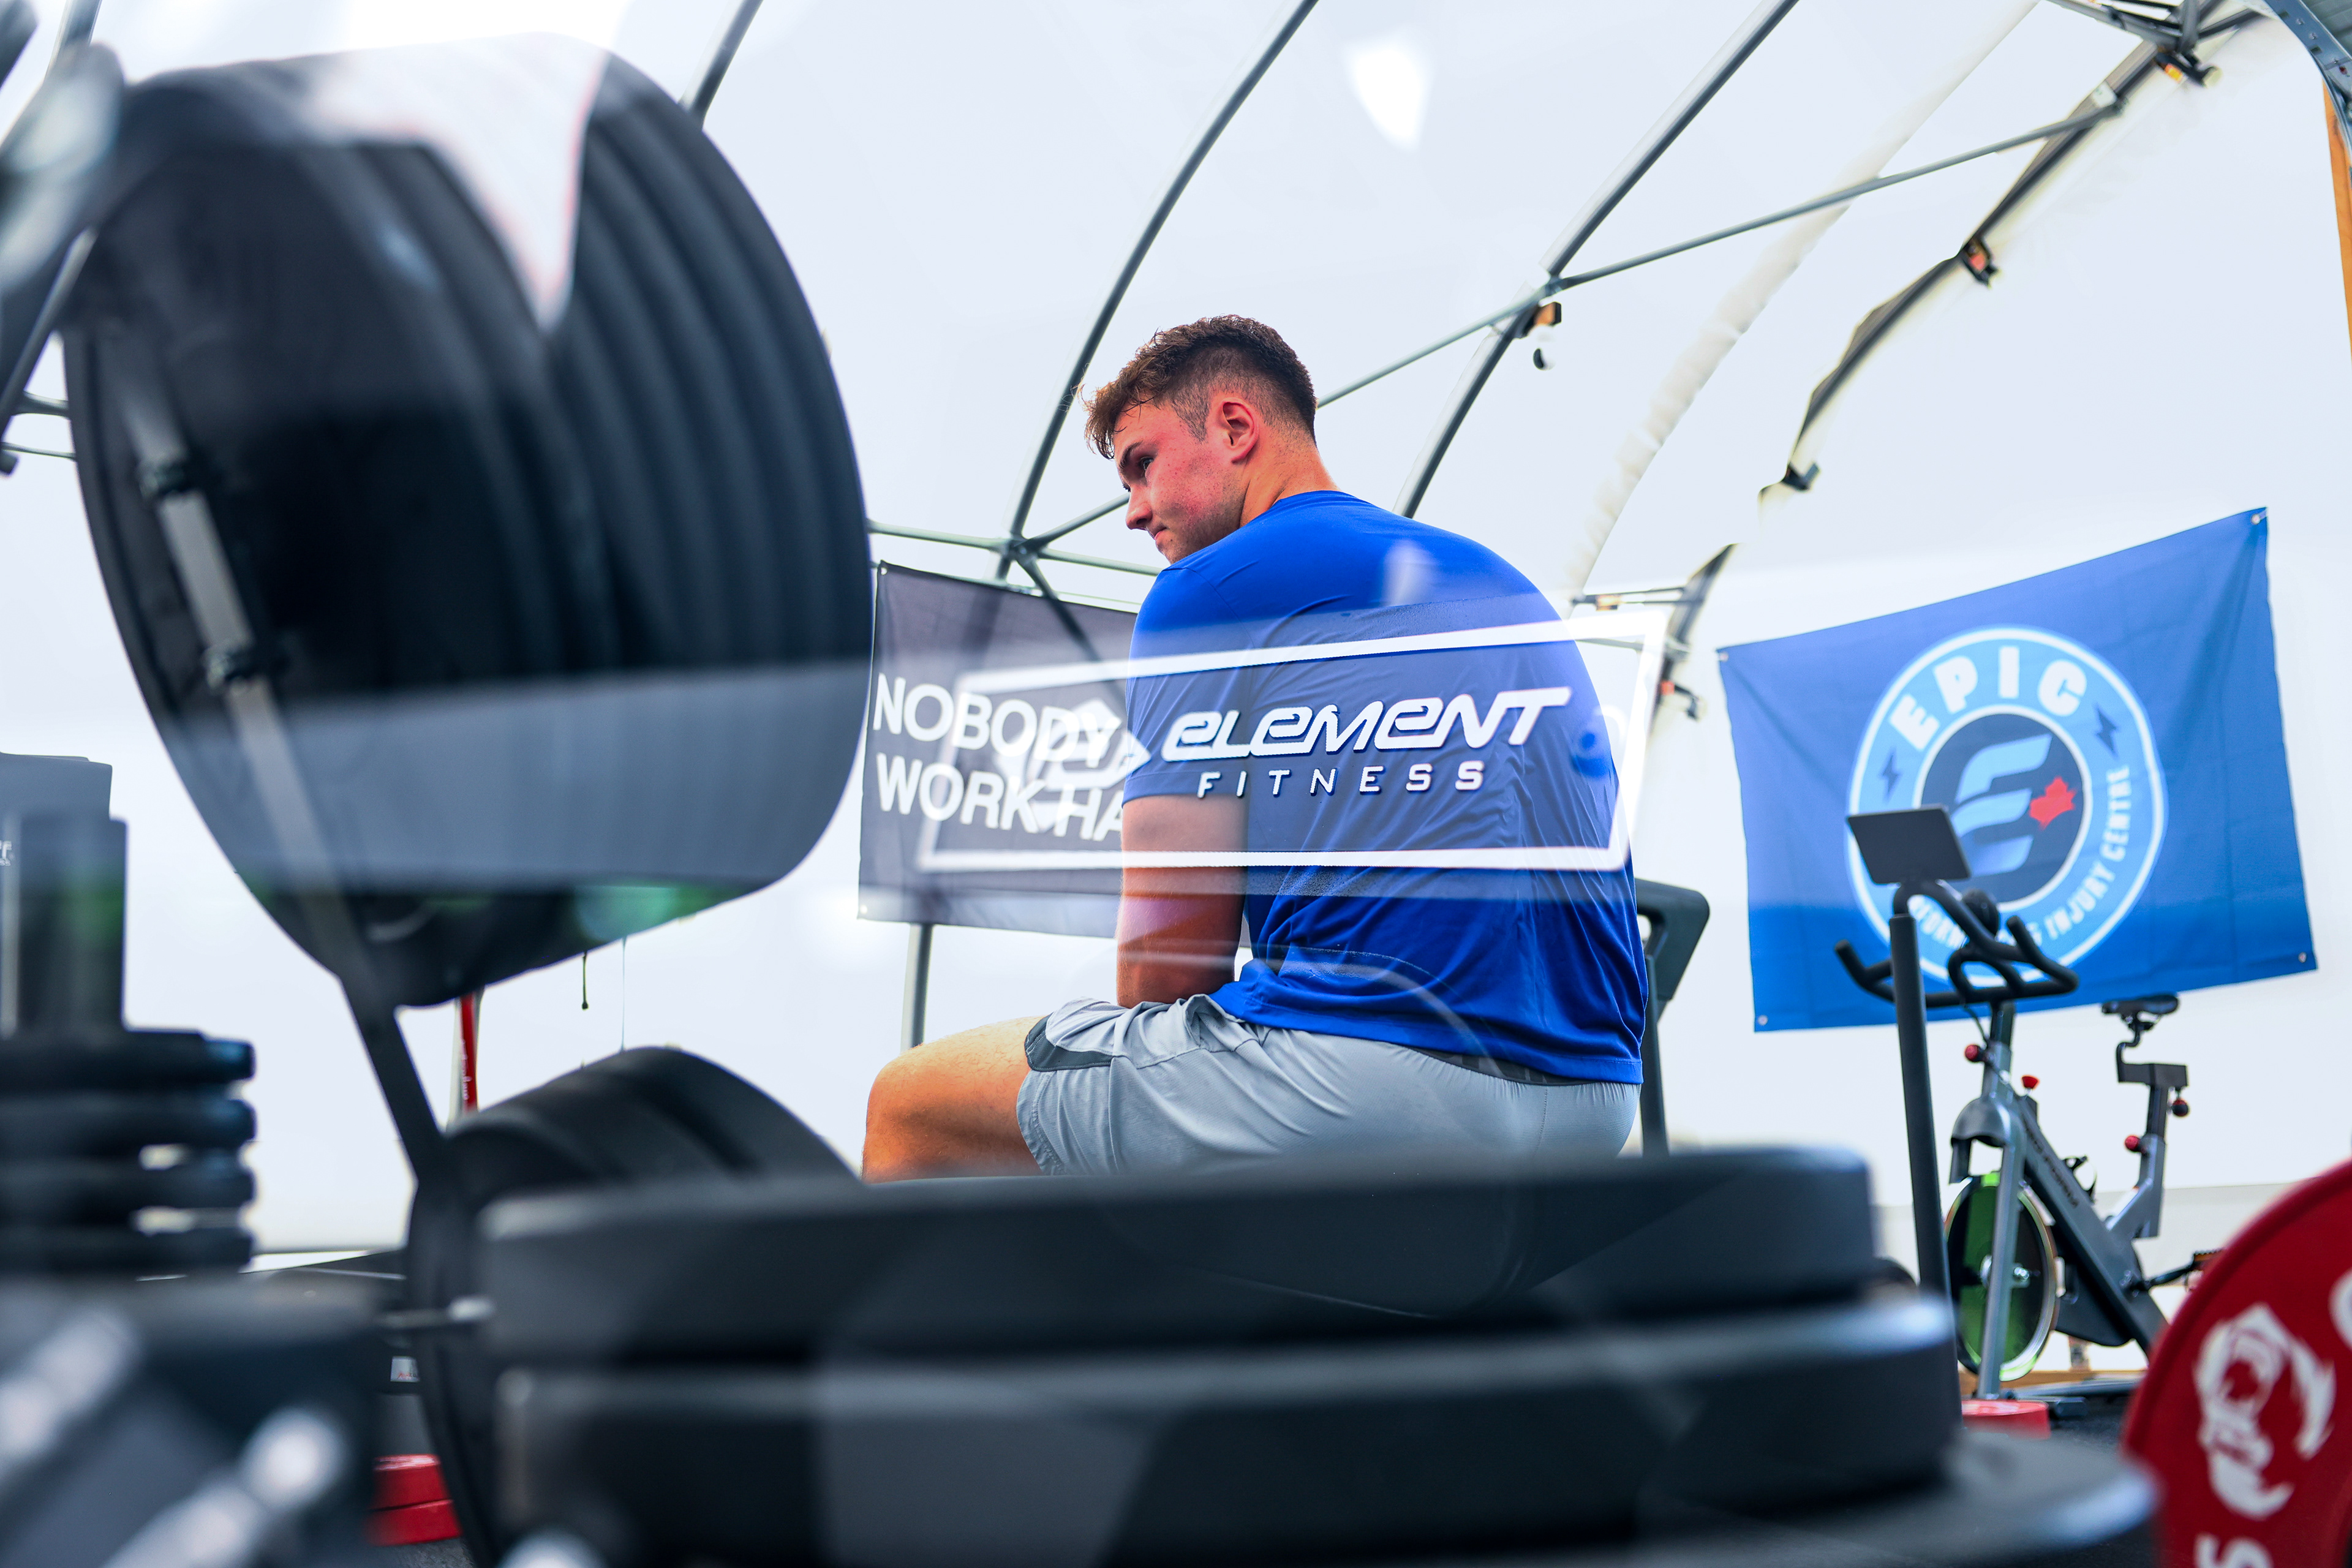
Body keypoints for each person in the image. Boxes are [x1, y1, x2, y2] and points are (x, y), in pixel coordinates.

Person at [862, 316, 1646, 1180]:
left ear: (1235, 427)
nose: (1132, 511)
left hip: (1368, 1080)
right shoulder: (1501, 582)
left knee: (910, 1105)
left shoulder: (1209, 591)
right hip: (1596, 1096)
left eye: (1142, 464)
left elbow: (1167, 968)